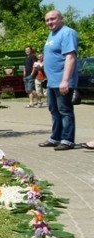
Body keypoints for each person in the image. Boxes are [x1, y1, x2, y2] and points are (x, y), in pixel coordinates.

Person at [38, 10, 78, 151]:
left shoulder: (68, 33)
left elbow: (70, 57)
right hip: (52, 81)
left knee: (64, 110)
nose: (50, 22)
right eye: (47, 20)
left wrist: (65, 80)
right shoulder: (52, 34)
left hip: (62, 80)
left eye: (53, 19)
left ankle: (67, 140)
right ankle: (55, 138)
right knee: (54, 110)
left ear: (61, 19)